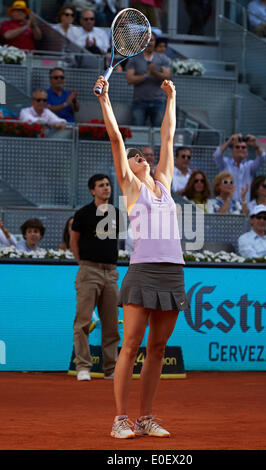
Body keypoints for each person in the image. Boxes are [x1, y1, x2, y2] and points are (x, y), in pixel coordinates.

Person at [93, 75, 188, 439]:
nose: (139, 156)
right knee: (130, 345)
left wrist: (171, 98)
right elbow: (117, 139)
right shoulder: (131, 188)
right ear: (128, 171)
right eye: (134, 157)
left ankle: (145, 418)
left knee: (157, 348)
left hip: (173, 272)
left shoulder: (163, 181)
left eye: (140, 155)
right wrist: (104, 100)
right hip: (144, 271)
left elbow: (168, 136)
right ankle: (120, 419)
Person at [70, 173, 120, 381]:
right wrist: (83, 263)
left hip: (111, 272)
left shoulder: (116, 213)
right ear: (92, 190)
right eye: (101, 185)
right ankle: (83, 366)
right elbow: (74, 241)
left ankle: (111, 369)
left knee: (111, 324)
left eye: (108, 185)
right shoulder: (83, 214)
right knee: (83, 322)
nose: (106, 188)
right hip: (89, 270)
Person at [125, 32, 171, 127]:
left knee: (159, 133)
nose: (149, 43)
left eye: (151, 40)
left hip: (159, 101)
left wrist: (154, 72)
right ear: (141, 42)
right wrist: (146, 75)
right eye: (146, 40)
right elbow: (129, 79)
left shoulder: (162, 58)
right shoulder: (134, 59)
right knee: (138, 133)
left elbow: (168, 77)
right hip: (139, 101)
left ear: (155, 42)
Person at [213, 133, 266, 203]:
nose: (240, 149)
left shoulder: (250, 166)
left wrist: (256, 146)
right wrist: (229, 141)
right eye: (237, 147)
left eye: (243, 147)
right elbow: (217, 155)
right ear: (231, 151)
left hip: (245, 208)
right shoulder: (225, 164)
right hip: (228, 208)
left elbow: (262, 158)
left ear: (247, 152)